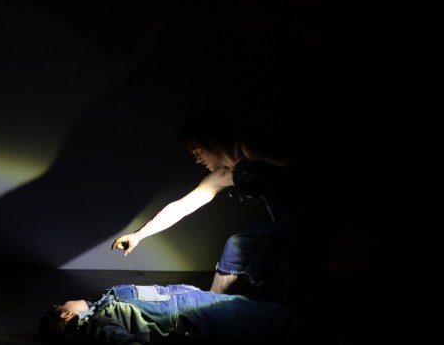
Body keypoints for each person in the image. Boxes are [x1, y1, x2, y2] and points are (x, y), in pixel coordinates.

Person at [111, 111, 336, 309]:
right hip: (279, 219)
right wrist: (139, 235)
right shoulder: (223, 175)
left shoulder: (249, 147)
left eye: (197, 151)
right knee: (236, 246)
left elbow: (299, 165)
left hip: (310, 213)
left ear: (214, 143)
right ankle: (212, 308)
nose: (197, 159)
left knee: (301, 277)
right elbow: (181, 207)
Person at [38, 282, 302, 345]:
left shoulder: (99, 304)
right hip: (188, 316)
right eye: (60, 305)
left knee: (249, 310)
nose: (64, 302)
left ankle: (304, 326)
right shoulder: (96, 324)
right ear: (65, 315)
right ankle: (311, 332)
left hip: (188, 302)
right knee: (260, 318)